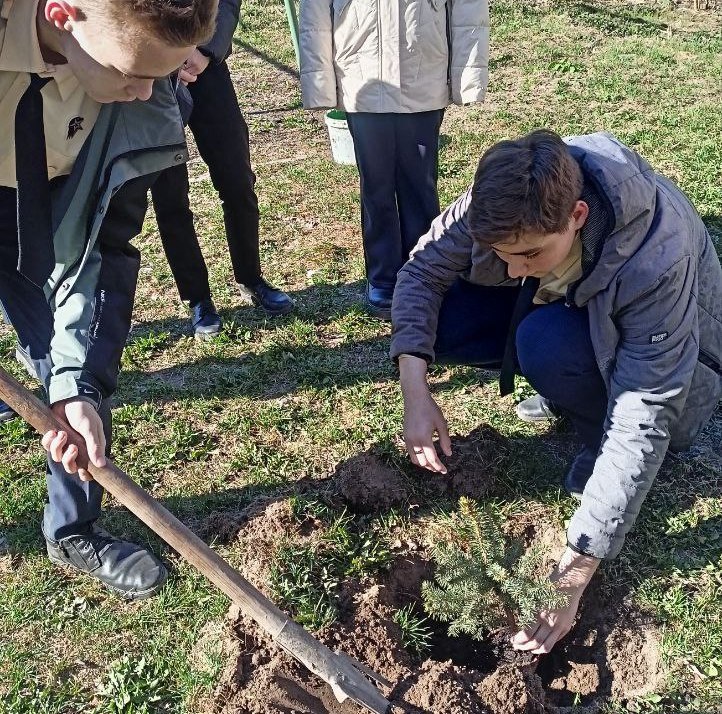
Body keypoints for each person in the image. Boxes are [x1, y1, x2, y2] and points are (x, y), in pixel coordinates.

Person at [391, 130, 722, 653]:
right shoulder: (507, 194)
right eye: (501, 253)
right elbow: (422, 271)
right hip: (577, 311)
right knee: (448, 321)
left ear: (578, 217)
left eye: (527, 255)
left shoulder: (656, 256)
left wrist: (574, 571)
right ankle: (567, 376)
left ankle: (590, 426)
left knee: (544, 342)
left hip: (681, 376)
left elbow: (648, 409)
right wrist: (415, 389)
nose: (512, 269)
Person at [1, 0, 217, 598]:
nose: (147, 93)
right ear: (62, 14)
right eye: (132, 73)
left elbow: (102, 250)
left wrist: (77, 386)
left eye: (162, 74)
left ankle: (71, 528)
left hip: (50, 203)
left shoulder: (142, 103)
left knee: (67, 371)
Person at [299, 0, 489, 319]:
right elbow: (314, 14)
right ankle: (383, 276)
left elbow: (469, 9)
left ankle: (426, 270)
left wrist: (467, 77)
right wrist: (319, 84)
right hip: (361, 74)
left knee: (420, 185)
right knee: (376, 185)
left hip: (422, 73)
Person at [151, 0, 293, 339]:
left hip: (205, 66)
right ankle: (198, 298)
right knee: (170, 197)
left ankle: (250, 277)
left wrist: (204, 50)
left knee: (237, 179)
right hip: (150, 77)